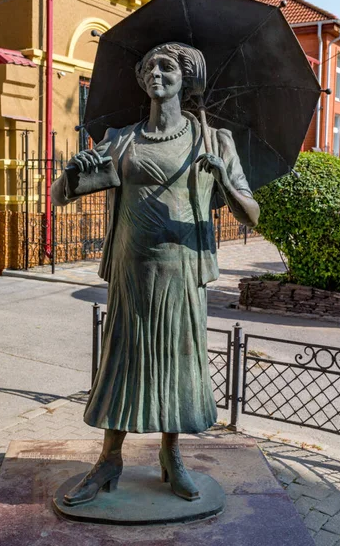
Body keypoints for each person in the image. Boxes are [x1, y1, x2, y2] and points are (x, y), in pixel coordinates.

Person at [51, 42, 259, 506]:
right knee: (122, 362)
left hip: (183, 272)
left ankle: (172, 455)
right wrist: (72, 172)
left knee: (176, 364)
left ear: (186, 80)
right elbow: (61, 196)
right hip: (131, 269)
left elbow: (252, 215)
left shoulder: (213, 140)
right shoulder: (122, 139)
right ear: (142, 80)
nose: (156, 74)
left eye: (167, 67)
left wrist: (223, 178)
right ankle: (109, 459)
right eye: (149, 68)